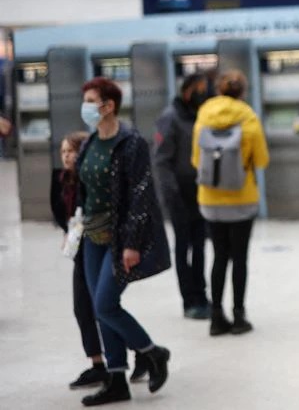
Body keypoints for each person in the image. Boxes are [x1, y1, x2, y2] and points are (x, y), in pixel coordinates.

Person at [76, 77, 171, 406]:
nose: (85, 107)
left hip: (119, 240)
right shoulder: (90, 142)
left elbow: (140, 198)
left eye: (90, 100)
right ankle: (116, 378)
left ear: (108, 105)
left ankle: (152, 352)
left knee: (105, 304)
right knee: (100, 309)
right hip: (91, 237)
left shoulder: (131, 142)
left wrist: (131, 244)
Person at [192, 70, 269, 336]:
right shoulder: (248, 117)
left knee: (219, 257)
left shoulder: (203, 116)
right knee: (239, 258)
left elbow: (195, 159)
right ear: (242, 91)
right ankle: (238, 315)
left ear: (218, 89)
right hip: (241, 199)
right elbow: (261, 160)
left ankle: (215, 317)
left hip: (210, 200)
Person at [51, 131, 108, 390]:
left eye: (71, 151)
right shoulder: (62, 180)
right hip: (80, 251)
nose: (66, 156)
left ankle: (140, 351)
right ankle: (98, 365)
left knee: (103, 307)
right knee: (83, 308)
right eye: (63, 152)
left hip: (96, 246)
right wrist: (68, 233)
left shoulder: (90, 180)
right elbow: (63, 215)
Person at [154, 73, 211, 320]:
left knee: (199, 247)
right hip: (178, 195)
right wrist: (171, 193)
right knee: (183, 247)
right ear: (186, 90)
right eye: (199, 89)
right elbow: (161, 160)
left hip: (200, 193)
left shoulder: (200, 114)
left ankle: (201, 295)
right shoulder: (170, 117)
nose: (203, 93)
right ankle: (189, 300)